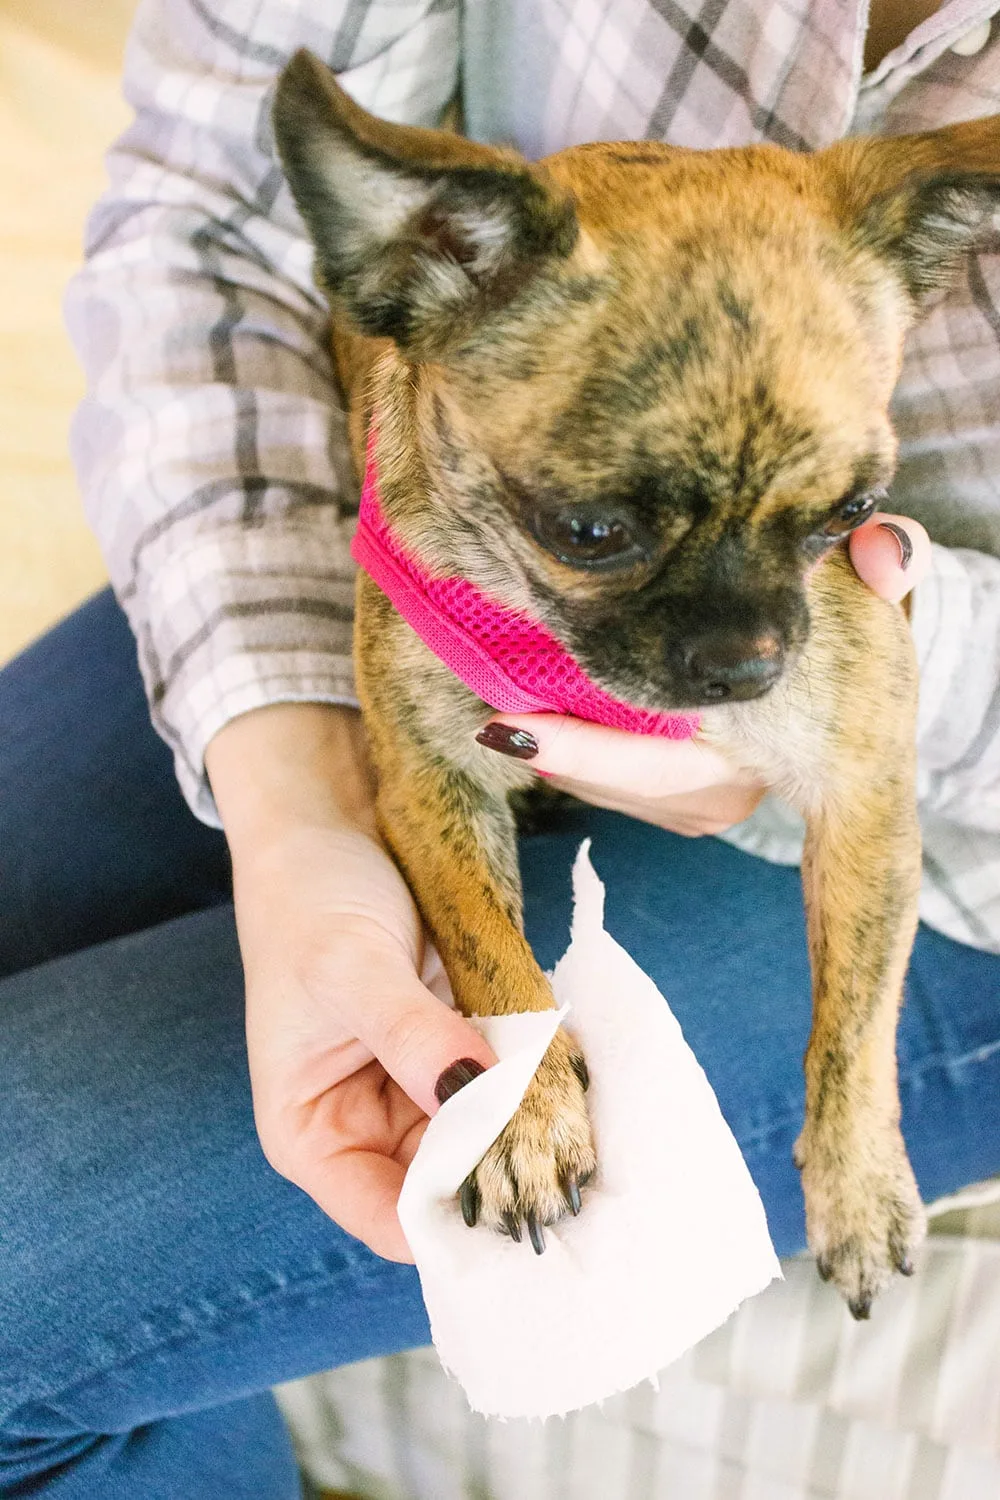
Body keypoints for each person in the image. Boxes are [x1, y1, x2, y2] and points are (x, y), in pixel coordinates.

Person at [2, 1, 999, 1495]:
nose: (743, 642)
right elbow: (204, 211)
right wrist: (294, 815)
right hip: (416, 576)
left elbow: (847, 766)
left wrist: (904, 658)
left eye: (817, 511)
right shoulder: (449, 344)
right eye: (599, 522)